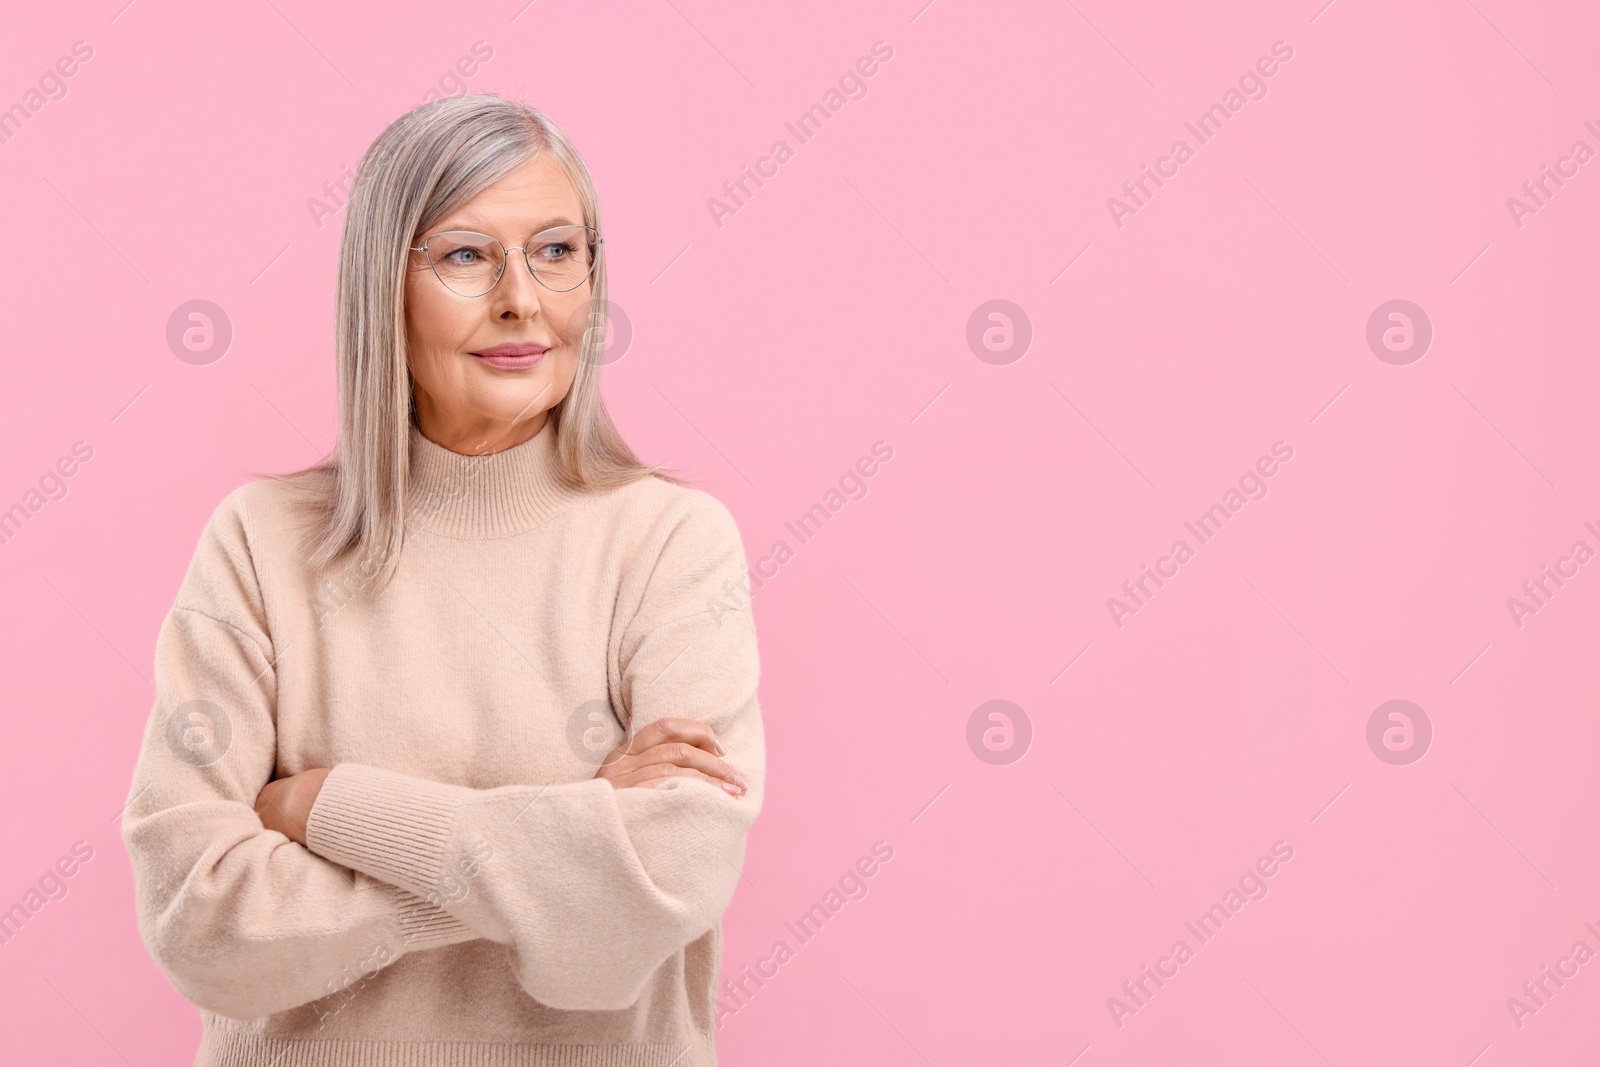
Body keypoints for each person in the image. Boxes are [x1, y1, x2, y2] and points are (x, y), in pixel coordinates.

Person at [119, 93, 764, 1067]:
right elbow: (200, 924)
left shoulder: (672, 542)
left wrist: (327, 805)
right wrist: (573, 830)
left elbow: (664, 879)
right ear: (385, 284)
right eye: (465, 254)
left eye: (556, 250)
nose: (521, 298)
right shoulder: (261, 542)